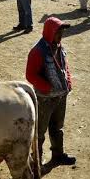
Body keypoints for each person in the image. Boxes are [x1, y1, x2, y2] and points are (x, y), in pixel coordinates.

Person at [25, 17, 76, 166]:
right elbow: (30, 75)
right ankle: (37, 162)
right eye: (58, 32)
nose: (60, 35)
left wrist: (68, 82)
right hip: (44, 99)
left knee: (57, 128)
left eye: (61, 32)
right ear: (49, 32)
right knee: (40, 132)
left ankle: (58, 155)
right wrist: (47, 88)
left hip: (60, 96)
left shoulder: (59, 47)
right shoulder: (37, 51)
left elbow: (64, 67)